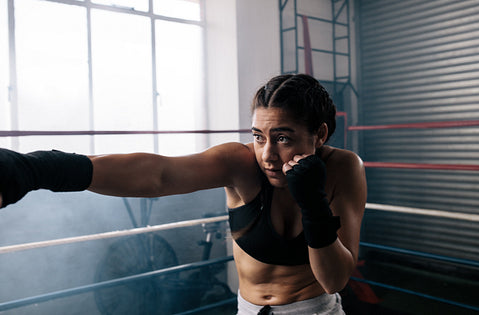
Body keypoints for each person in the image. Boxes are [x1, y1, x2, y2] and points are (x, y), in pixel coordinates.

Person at [0, 74, 366, 314]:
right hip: (248, 310)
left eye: (282, 138)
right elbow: (159, 174)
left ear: (319, 134)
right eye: (258, 136)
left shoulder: (344, 169)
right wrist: (38, 168)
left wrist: (312, 202)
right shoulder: (239, 163)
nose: (267, 154)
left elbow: (335, 280)